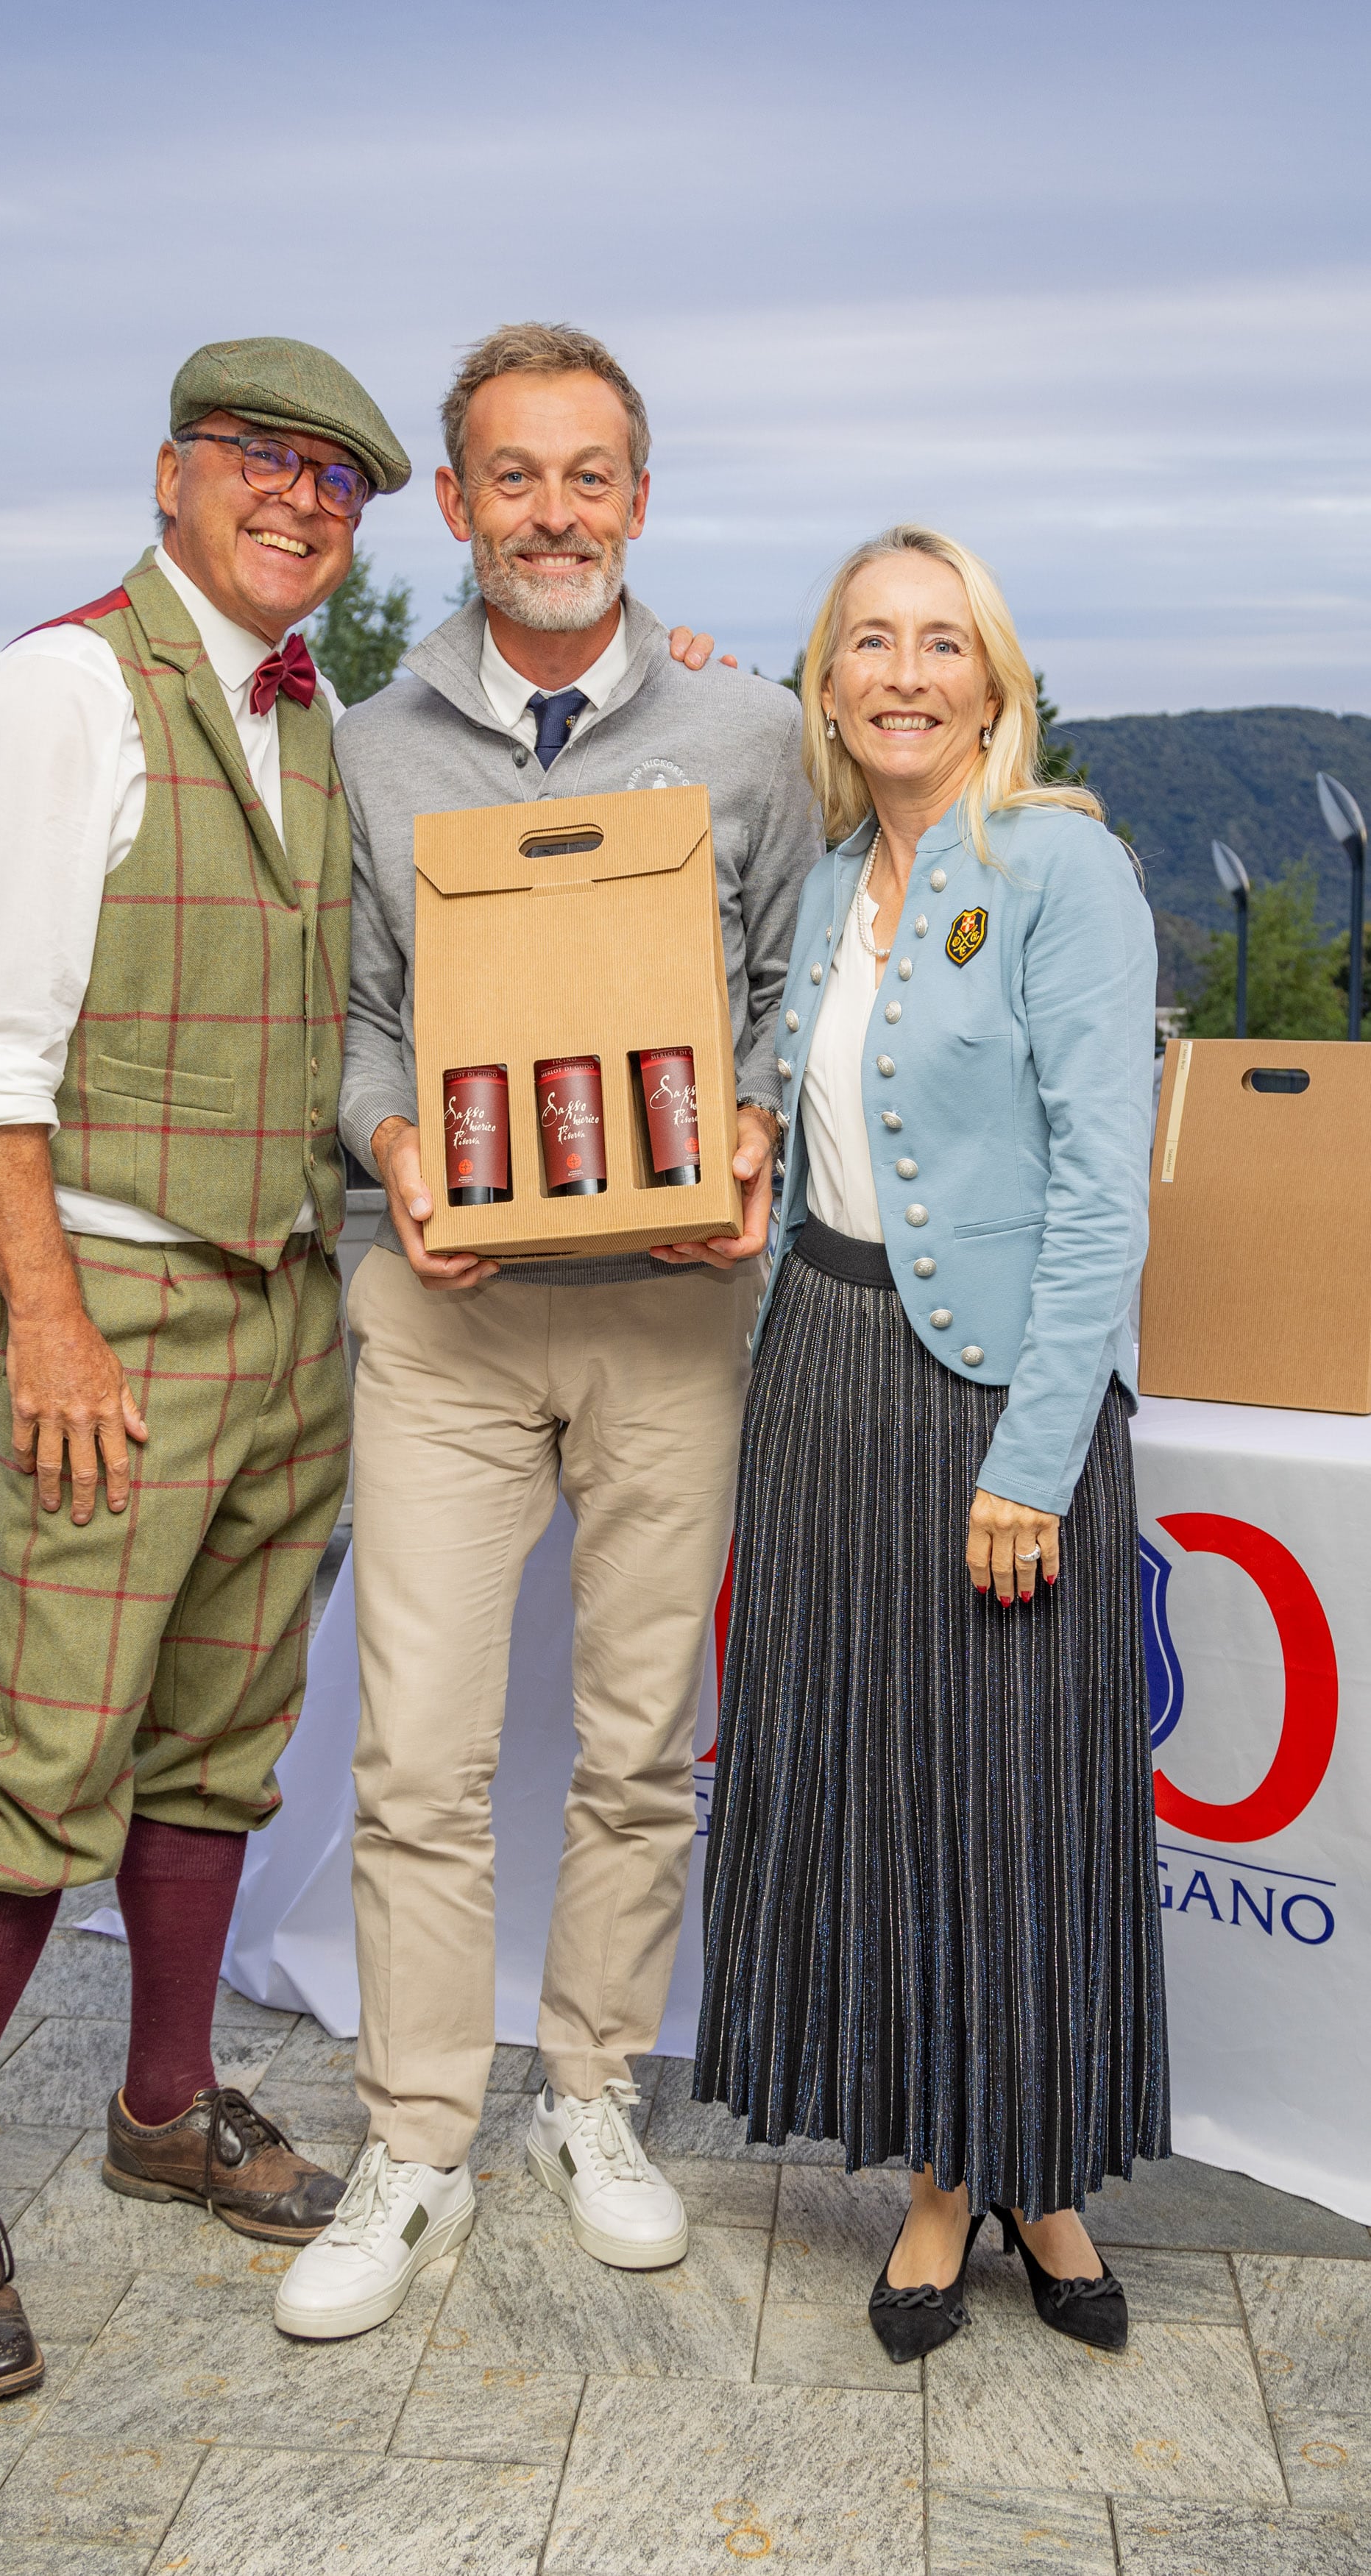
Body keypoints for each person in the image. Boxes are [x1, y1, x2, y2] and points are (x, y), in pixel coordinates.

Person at [0, 340, 412, 2401]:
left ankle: (164, 2107)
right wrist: (50, 1321)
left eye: (337, 483)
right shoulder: (57, 691)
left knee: (218, 1738)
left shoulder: (313, 713)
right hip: (110, 1293)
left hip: (280, 1295)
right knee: (48, 1749)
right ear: (171, 473)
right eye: (262, 459)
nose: (299, 500)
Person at [273, 321, 823, 2343]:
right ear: (457, 502)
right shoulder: (363, 747)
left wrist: (752, 1123)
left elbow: (788, 987)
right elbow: (355, 1018)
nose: (554, 512)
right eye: (515, 475)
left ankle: (591, 2091)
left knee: (638, 1744)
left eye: (590, 475)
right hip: (447, 1317)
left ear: (640, 501)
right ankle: (416, 2137)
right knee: (415, 1748)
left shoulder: (752, 735)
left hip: (676, 1315)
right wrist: (391, 1145)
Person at [694, 524, 1167, 2364]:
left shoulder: (1063, 867)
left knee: (1018, 1801)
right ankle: (945, 2173)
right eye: (870, 642)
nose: (906, 674)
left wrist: (1036, 1460)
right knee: (882, 1796)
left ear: (995, 682)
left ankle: (1032, 2179)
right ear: (827, 685)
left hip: (998, 1396)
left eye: (942, 642)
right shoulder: (829, 880)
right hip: (820, 1369)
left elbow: (1103, 1197)